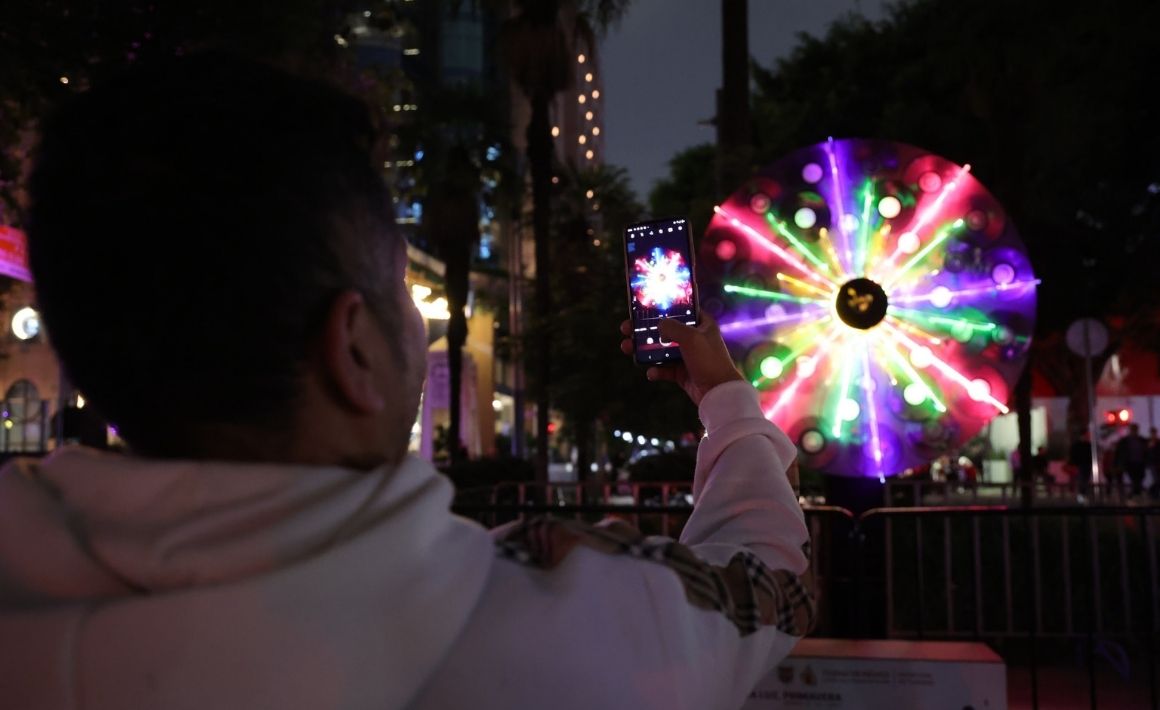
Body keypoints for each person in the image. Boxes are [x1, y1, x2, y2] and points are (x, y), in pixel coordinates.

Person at [0, 54, 813, 709]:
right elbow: (774, 578)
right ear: (351, 347)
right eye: (401, 287)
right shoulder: (595, 622)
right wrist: (725, 403)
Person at [1115, 422, 1149, 498]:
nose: (1134, 431)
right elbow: (1119, 453)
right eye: (1133, 429)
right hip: (1130, 463)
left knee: (1139, 479)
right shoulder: (1125, 441)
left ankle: (1136, 493)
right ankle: (1136, 493)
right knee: (1134, 479)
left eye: (1135, 430)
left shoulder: (1141, 440)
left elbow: (1146, 451)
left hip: (1140, 463)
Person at [1069, 429, 1094, 502]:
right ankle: (1081, 496)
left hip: (1087, 465)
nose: (1088, 436)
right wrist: (1074, 463)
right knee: (1081, 480)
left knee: (1085, 480)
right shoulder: (1077, 445)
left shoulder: (1089, 445)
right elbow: (1073, 455)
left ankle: (1083, 495)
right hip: (1080, 465)